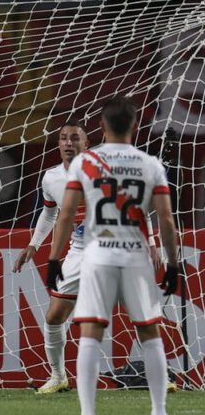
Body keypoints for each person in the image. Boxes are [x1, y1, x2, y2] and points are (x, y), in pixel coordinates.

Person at [46, 96, 179, 415]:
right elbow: (165, 218)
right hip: (135, 255)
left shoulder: (85, 163)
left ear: (102, 127)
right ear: (135, 126)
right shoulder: (150, 164)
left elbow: (65, 215)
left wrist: (52, 258)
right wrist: (173, 263)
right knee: (149, 332)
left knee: (90, 333)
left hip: (97, 254)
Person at [14, 118, 161, 394]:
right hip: (80, 252)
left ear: (86, 143)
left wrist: (150, 243)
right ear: (58, 143)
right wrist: (34, 245)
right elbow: (50, 213)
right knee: (54, 316)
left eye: (75, 138)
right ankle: (58, 376)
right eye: (63, 138)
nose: (68, 142)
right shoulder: (51, 177)